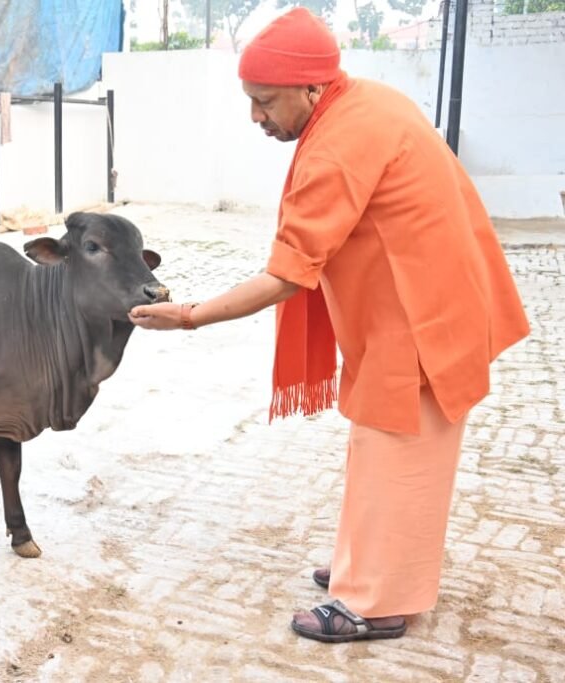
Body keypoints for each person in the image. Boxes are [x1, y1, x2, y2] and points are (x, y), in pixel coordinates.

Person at [128, 7, 529, 643]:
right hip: (415, 304)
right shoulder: (362, 103)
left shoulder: (341, 144)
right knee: (377, 449)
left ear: (312, 88)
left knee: (399, 452)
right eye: (250, 100)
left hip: (422, 317)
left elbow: (287, 273)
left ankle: (376, 602)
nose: (255, 116)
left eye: (265, 101)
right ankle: (364, 566)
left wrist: (192, 316)